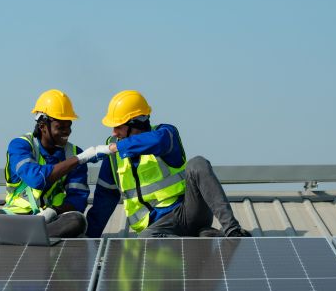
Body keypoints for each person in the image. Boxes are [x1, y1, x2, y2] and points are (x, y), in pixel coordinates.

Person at [85, 90, 252, 239]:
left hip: (187, 212)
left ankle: (232, 230)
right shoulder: (113, 156)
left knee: (198, 163)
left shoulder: (165, 134)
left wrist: (115, 147)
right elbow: (104, 200)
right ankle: (200, 237)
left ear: (137, 122)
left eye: (118, 126)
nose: (114, 132)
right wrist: (88, 241)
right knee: (145, 241)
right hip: (156, 228)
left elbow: (158, 141)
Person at [0, 89, 101, 240]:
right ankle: (33, 236)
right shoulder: (20, 146)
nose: (66, 132)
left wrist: (52, 211)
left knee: (76, 221)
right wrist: (78, 159)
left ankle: (13, 237)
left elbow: (77, 200)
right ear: (42, 125)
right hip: (13, 218)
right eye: (60, 127)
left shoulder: (73, 152)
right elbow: (36, 179)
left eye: (69, 126)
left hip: (49, 221)